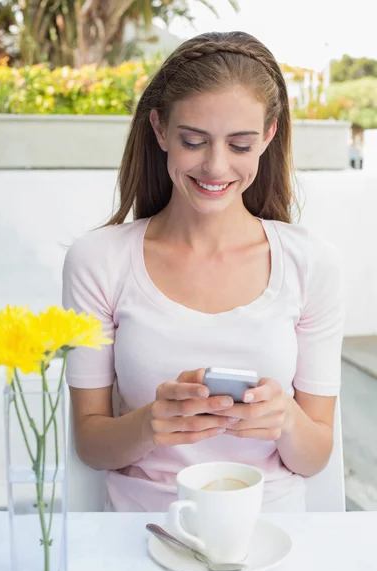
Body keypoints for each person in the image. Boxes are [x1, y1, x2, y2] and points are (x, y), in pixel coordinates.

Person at [62, 31, 345, 513]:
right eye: (194, 141)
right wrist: (151, 424)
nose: (216, 167)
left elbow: (315, 456)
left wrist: (287, 421)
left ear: (269, 136)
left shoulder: (310, 263)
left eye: (240, 144)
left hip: (270, 534)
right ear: (160, 129)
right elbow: (91, 444)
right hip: (140, 534)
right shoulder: (98, 261)